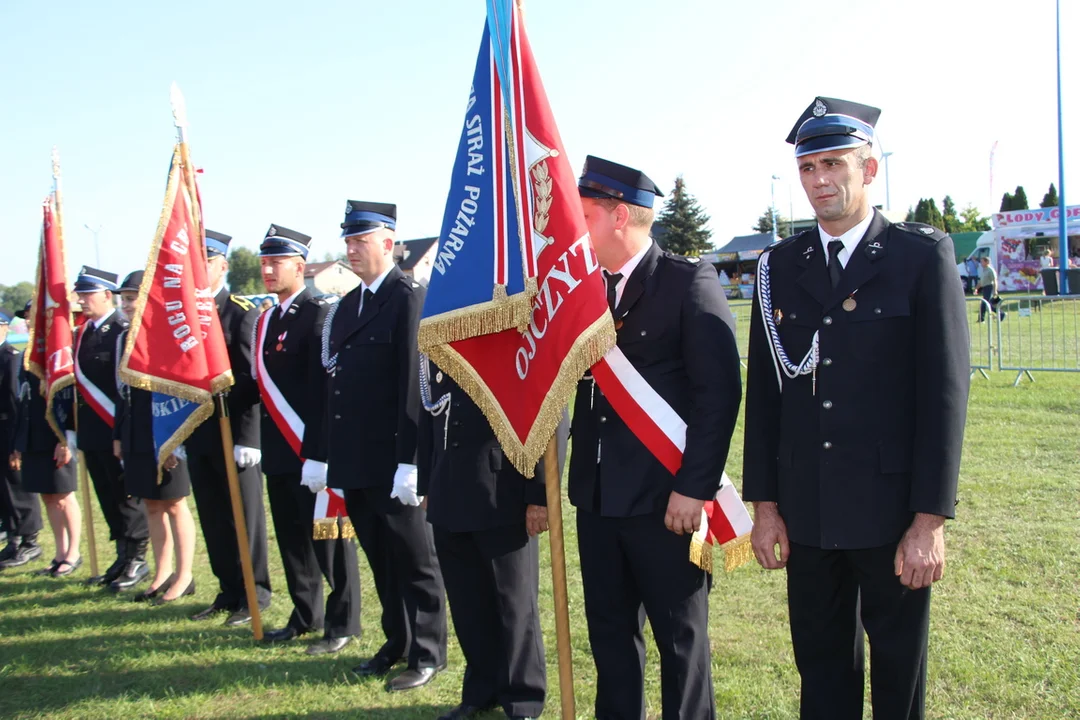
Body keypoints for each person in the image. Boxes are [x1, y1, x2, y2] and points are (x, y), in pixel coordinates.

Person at [742, 97, 970, 720]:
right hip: (807, 508)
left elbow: (945, 399)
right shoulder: (777, 269)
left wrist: (930, 522)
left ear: (868, 170)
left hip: (891, 511)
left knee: (898, 673)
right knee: (820, 669)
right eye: (808, 167)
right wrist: (765, 509)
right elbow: (764, 398)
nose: (819, 180)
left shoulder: (919, 257)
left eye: (833, 164)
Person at [570, 156, 743, 719]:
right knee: (612, 643)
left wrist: (694, 490)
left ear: (620, 216)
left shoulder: (685, 281)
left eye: (586, 214)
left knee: (680, 644)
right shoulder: (581, 291)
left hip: (667, 503)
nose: (575, 228)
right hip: (597, 500)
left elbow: (718, 396)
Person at [322, 200, 447, 691]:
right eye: (348, 241)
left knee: (415, 560)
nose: (352, 249)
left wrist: (411, 461)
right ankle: (396, 640)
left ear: (389, 244)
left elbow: (414, 385)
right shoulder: (349, 304)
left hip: (395, 459)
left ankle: (428, 650)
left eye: (362, 240)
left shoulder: (407, 296)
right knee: (381, 560)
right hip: (357, 460)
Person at [419, 362, 567, 720]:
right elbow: (428, 416)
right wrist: (427, 481)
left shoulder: (517, 335)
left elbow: (552, 413)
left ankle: (524, 699)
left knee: (513, 604)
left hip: (503, 490)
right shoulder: (443, 336)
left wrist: (539, 494)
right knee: (468, 604)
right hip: (449, 489)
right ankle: (481, 689)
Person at [253, 224, 361, 655]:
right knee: (293, 539)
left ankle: (343, 621)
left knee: (331, 538)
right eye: (264, 262)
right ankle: (305, 614)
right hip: (279, 450)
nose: (267, 269)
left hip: (314, 449)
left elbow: (325, 390)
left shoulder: (319, 313)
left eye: (276, 262)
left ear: (300, 267)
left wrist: (323, 450)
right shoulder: (267, 319)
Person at [185, 230, 270, 626]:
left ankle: (255, 591)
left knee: (244, 517)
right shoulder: (184, 317)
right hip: (201, 432)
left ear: (223, 265)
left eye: (208, 261)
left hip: (235, 434)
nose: (199, 270)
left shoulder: (240, 312)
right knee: (214, 516)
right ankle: (229, 589)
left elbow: (252, 380)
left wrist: (249, 437)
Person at [113, 271, 197, 603]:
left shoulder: (168, 334)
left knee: (175, 503)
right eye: (124, 300)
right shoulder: (124, 338)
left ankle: (184, 574)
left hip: (165, 429)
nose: (127, 305)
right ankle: (161, 573)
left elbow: (180, 389)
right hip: (136, 430)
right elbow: (122, 393)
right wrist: (120, 434)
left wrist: (176, 439)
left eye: (132, 298)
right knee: (151, 503)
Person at [72, 266, 150, 589]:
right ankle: (122, 552)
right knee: (107, 493)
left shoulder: (121, 329)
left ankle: (137, 556)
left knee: (126, 495)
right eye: (80, 294)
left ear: (107, 295)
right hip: (93, 429)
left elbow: (120, 388)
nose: (81, 300)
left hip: (116, 426)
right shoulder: (85, 333)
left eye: (87, 293)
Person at [13, 302, 81, 577]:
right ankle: (60, 552)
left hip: (55, 434)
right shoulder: (28, 354)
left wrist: (65, 439)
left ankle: (74, 552)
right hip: (33, 436)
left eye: (33, 318)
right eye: (27, 318)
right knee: (48, 497)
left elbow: (66, 399)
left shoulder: (59, 353)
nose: (29, 322)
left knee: (63, 496)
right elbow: (23, 401)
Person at [0, 311, 44, 570]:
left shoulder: (10, 357)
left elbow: (16, 401)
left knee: (18, 488)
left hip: (8, 427)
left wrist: (17, 444)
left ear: (4, 328)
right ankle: (14, 540)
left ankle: (30, 541)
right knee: (3, 490)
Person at [976, 256, 1000, 322]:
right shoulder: (984, 270)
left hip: (989, 288)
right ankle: (1001, 314)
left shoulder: (990, 270)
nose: (981, 263)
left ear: (987, 262)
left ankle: (981, 319)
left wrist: (995, 290)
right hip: (985, 288)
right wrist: (976, 289)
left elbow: (995, 281)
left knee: (985, 303)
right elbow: (981, 281)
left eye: (982, 262)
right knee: (986, 303)